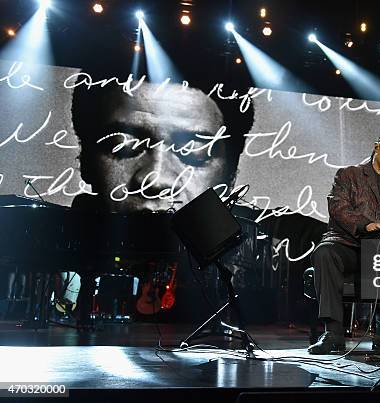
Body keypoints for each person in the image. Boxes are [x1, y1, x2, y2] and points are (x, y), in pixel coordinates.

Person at [67, 80, 254, 328]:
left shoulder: (244, 227)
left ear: (232, 171)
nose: (156, 179)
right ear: (85, 160)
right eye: (123, 145)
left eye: (193, 149)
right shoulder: (83, 217)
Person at [307, 130, 380, 354]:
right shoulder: (349, 175)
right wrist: (365, 224)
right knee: (324, 252)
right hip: (348, 244)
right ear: (376, 146)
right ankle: (333, 333)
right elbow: (337, 206)